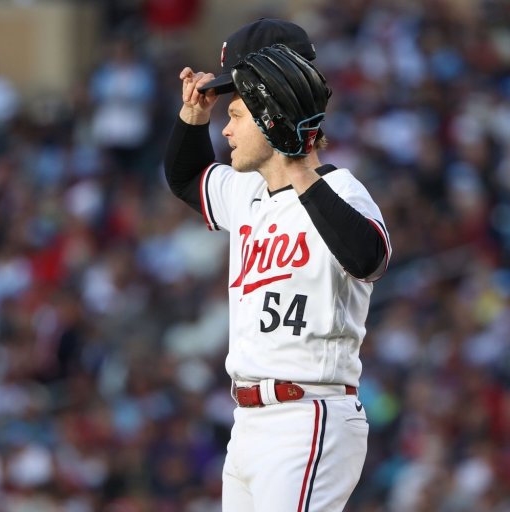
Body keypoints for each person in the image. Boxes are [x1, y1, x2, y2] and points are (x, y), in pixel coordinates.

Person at [163, 18, 392, 511]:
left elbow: (369, 258)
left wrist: (295, 163)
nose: (225, 125)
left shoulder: (341, 189)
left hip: (306, 413)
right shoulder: (248, 193)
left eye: (238, 111)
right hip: (248, 424)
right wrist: (191, 117)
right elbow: (186, 178)